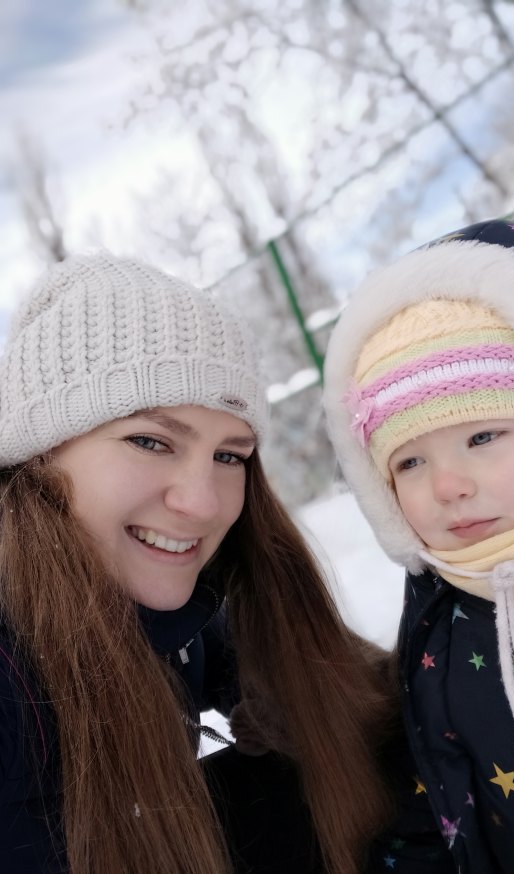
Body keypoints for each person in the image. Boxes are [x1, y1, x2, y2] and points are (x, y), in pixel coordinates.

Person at [0, 251, 398, 874]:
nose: (203, 503)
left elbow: (350, 694)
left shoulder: (171, 612)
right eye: (151, 441)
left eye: (230, 455)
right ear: (37, 455)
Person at [323, 219, 514, 873]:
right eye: (409, 463)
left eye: (483, 437)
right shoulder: (438, 614)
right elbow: (433, 790)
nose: (448, 486)